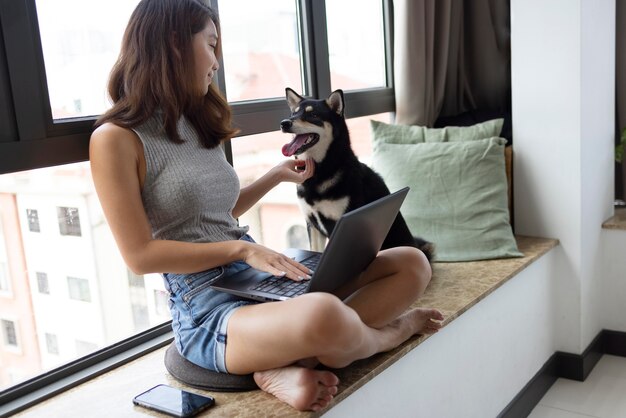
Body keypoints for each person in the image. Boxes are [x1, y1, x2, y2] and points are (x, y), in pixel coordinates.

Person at [90, 0, 443, 412]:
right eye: (211, 44)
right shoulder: (115, 138)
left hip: (256, 279)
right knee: (324, 315)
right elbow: (140, 256)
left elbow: (216, 216)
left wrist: (275, 175)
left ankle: (284, 360)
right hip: (204, 305)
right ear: (173, 45)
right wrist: (243, 249)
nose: (216, 62)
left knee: (411, 262)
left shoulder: (194, 122)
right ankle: (385, 335)